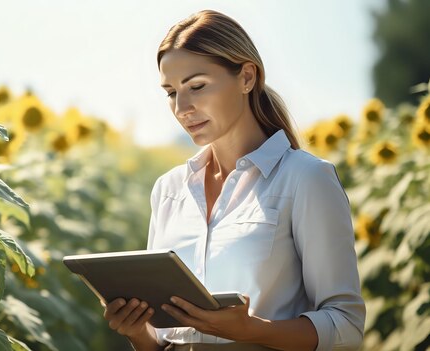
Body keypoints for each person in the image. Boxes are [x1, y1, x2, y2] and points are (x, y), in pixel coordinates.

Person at [102, 9, 366, 351]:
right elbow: (164, 341)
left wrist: (252, 330)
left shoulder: (306, 179)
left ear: (246, 78)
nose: (182, 107)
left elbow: (346, 327)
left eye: (197, 86)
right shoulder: (168, 190)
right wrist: (138, 332)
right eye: (171, 92)